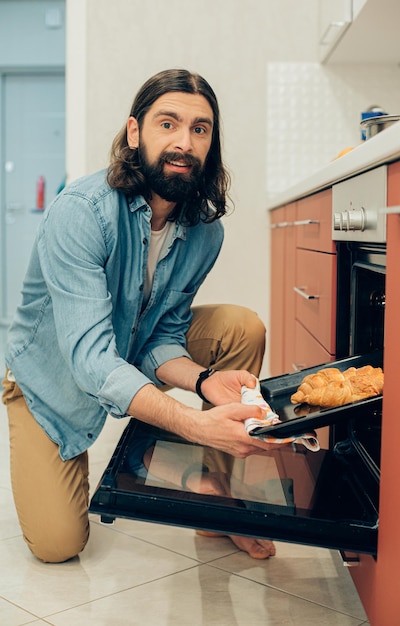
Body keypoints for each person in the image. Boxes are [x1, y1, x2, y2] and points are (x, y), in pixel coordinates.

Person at [2, 68, 278, 563]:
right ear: (135, 133)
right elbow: (90, 361)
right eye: (167, 124)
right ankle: (156, 449)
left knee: (241, 326)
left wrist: (205, 382)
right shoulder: (81, 212)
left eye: (200, 129)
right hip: (51, 379)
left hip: (125, 348)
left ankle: (213, 496)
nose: (184, 142)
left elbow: (161, 337)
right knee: (57, 545)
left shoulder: (205, 233)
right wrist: (193, 425)